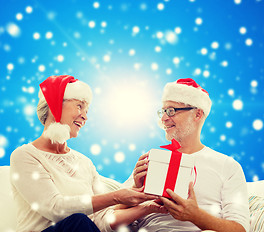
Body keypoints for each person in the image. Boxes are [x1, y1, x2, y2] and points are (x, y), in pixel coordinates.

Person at [10, 75, 166, 232]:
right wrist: (116, 196)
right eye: (79, 106)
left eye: (86, 110)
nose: (85, 116)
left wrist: (148, 207)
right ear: (55, 105)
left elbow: (101, 218)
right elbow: (55, 209)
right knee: (78, 221)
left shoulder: (84, 162)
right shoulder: (24, 155)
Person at [126, 78, 250, 232]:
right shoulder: (151, 161)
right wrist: (134, 189)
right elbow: (110, 216)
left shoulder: (227, 166)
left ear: (197, 114)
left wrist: (195, 215)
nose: (163, 118)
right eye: (162, 111)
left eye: (171, 111)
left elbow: (241, 229)